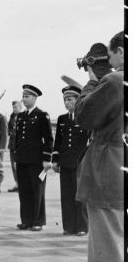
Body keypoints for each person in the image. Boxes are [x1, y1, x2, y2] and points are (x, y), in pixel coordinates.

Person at [75, 31, 125, 262]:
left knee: (108, 248)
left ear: (120, 52)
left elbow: (84, 115)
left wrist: (93, 79)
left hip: (111, 168)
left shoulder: (117, 81)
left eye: (112, 54)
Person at [13, 84, 53, 232]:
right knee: (24, 191)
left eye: (27, 96)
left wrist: (46, 158)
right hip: (23, 159)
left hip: (36, 160)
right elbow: (17, 139)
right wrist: (17, 157)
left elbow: (48, 138)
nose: (24, 99)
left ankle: (38, 221)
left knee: (37, 191)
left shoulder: (42, 115)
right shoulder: (21, 116)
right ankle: (26, 220)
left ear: (35, 98)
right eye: (23, 96)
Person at [52, 86, 89, 236]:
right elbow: (58, 142)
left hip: (80, 163)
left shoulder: (86, 118)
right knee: (66, 196)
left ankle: (82, 227)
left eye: (69, 100)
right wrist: (55, 160)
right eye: (65, 100)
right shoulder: (62, 119)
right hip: (65, 163)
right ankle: (68, 226)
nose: (66, 103)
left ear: (77, 100)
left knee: (79, 196)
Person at [7, 100, 24, 192]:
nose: (14, 109)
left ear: (20, 107)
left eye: (16, 107)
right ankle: (17, 184)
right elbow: (9, 128)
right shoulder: (12, 116)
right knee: (13, 167)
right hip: (12, 145)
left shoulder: (24, 117)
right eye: (13, 107)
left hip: (20, 145)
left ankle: (22, 184)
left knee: (19, 166)